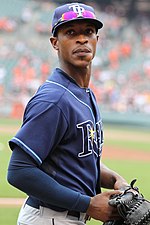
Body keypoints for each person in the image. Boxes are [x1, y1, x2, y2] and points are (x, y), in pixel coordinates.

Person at [7, 2, 129, 225]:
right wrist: (88, 204)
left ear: (97, 40)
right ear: (55, 43)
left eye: (88, 32)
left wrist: (114, 179)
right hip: (50, 218)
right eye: (71, 32)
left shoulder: (84, 94)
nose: (81, 39)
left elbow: (74, 159)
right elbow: (19, 170)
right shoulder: (55, 98)